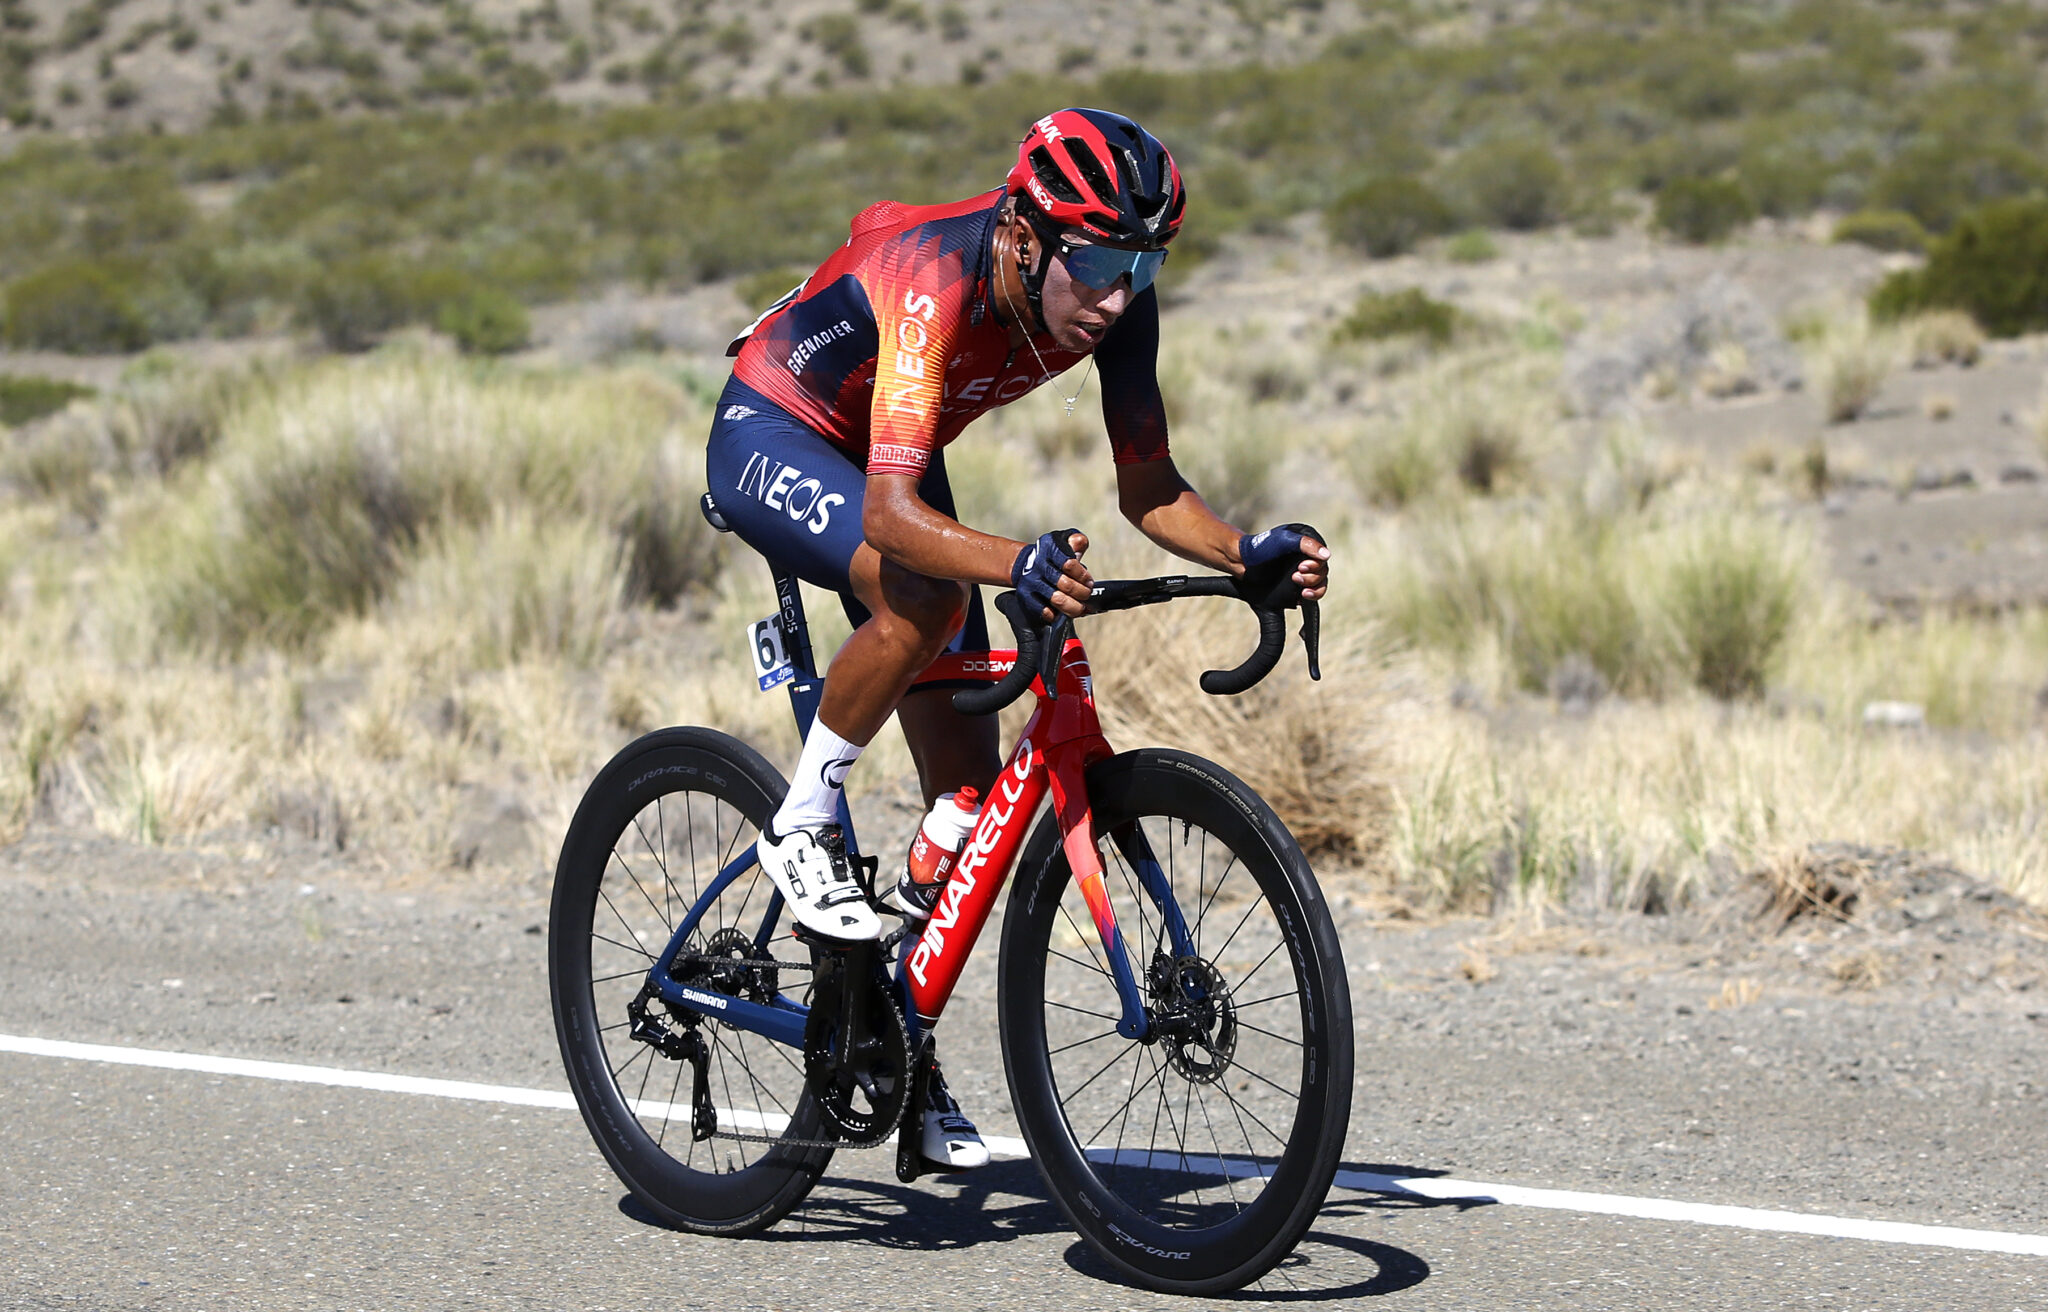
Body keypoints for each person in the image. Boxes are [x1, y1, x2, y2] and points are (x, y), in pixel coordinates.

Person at [704, 108, 1330, 1169]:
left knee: (964, 797)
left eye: (1142, 261)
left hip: (891, 452)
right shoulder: (931, 280)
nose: (1117, 293)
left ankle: (895, 1044)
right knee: (927, 596)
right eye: (1094, 261)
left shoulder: (1117, 305)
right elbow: (895, 521)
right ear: (1022, 235)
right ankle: (802, 825)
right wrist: (1013, 561)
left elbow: (1147, 487)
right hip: (779, 426)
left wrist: (1244, 551)